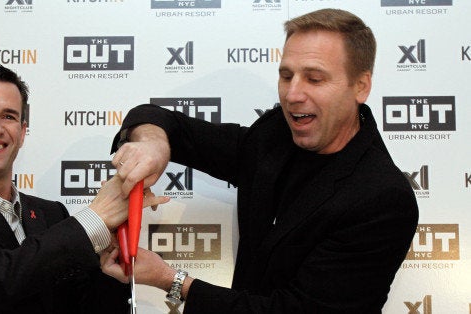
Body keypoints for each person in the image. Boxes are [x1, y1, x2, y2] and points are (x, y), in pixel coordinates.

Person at [102, 8, 419, 313]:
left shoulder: (382, 199)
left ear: (360, 86)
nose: (292, 94)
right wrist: (155, 144)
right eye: (286, 75)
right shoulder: (275, 134)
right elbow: (157, 118)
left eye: (314, 79)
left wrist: (170, 280)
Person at [0, 62, 168, 313]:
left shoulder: (52, 215)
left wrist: (110, 256)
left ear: (23, 133)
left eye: (9, 116)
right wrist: (96, 217)